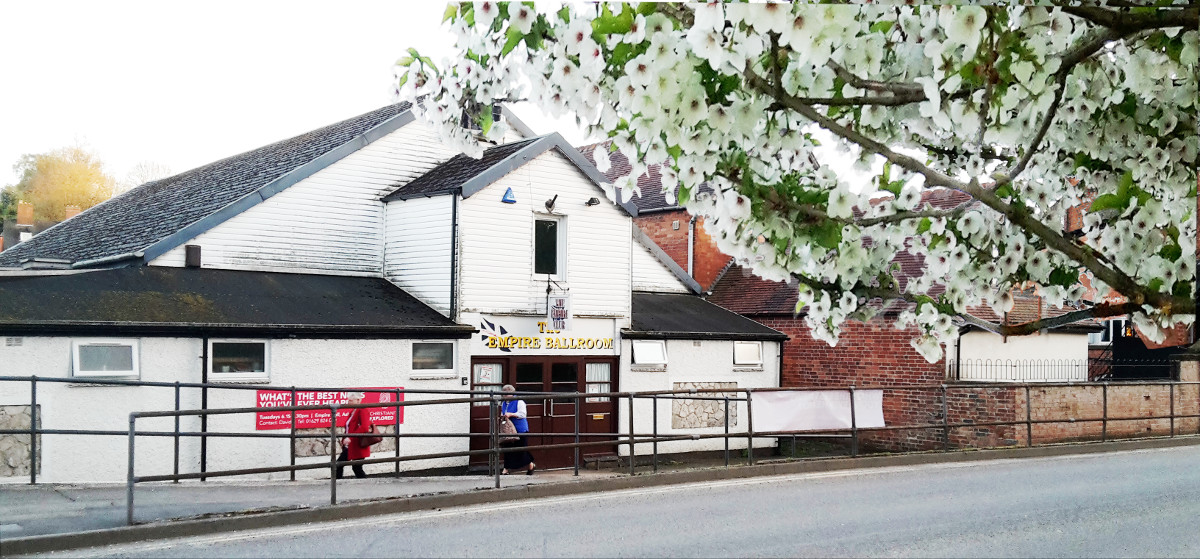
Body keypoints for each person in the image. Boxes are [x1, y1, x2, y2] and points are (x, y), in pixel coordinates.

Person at [499, 384, 535, 475]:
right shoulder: (503, 403)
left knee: (521, 449)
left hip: (520, 429)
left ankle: (530, 464)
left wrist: (511, 414)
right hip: (508, 430)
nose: (506, 396)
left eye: (508, 394)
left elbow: (523, 414)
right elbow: (503, 412)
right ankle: (506, 469)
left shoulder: (519, 402)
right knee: (507, 449)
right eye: (504, 394)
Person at [337, 392, 371, 479]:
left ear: (358, 400)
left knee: (342, 465)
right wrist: (344, 440)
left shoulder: (362, 410)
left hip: (357, 444)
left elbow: (364, 427)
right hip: (351, 445)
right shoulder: (353, 411)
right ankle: (364, 485)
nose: (348, 402)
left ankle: (337, 485)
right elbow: (349, 428)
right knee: (354, 467)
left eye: (351, 400)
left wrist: (350, 438)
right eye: (348, 400)